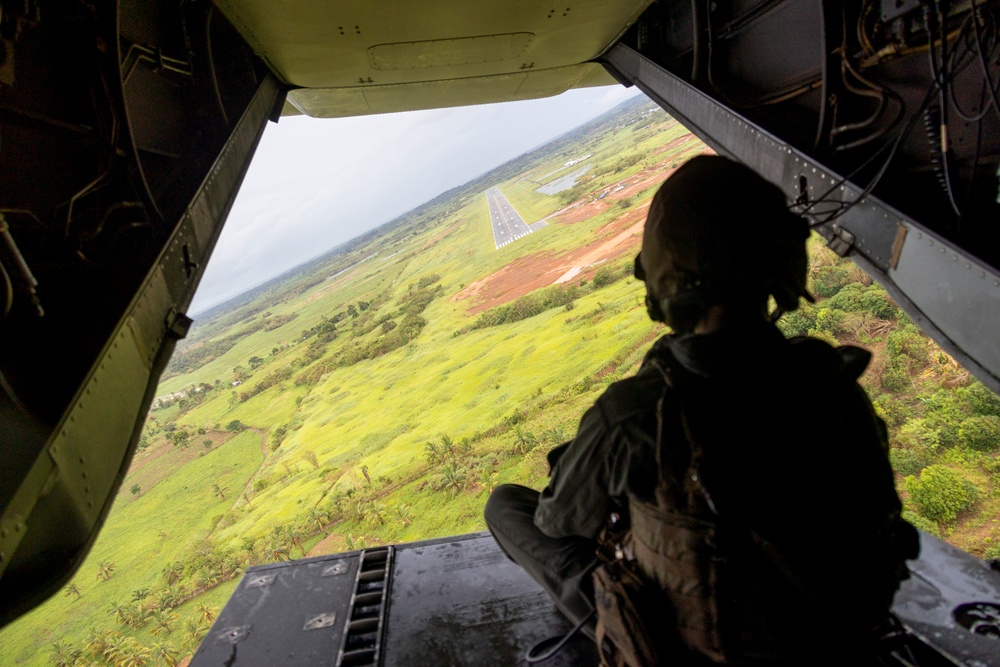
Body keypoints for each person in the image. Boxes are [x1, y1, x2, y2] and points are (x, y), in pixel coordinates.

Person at [484, 155, 919, 664]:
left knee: (506, 505)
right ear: (780, 262)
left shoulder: (635, 412)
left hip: (703, 647)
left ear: (662, 281)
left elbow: (559, 521)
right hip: (839, 639)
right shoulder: (829, 380)